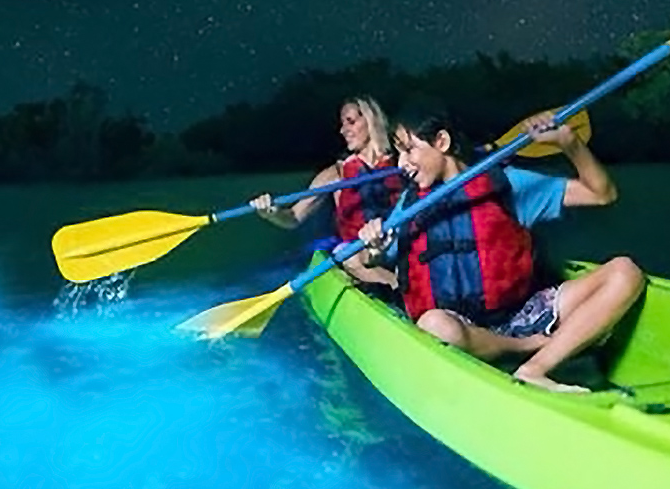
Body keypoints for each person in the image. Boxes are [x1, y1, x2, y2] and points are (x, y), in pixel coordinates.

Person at [357, 102, 645, 393]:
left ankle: (534, 368)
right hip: (461, 329)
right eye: (398, 153)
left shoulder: (506, 185)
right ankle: (527, 348)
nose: (400, 164)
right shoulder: (409, 206)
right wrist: (374, 248)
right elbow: (369, 259)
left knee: (625, 272)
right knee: (434, 325)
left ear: (442, 142)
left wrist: (569, 144)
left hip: (521, 314)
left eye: (409, 150)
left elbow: (601, 193)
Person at [249, 96, 403, 289]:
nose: (343, 130)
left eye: (351, 121)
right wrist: (270, 213)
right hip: (360, 252)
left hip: (398, 245)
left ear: (372, 121)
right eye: (342, 123)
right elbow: (294, 218)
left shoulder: (401, 164)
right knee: (349, 255)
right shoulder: (335, 174)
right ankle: (398, 288)